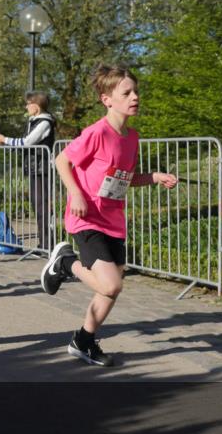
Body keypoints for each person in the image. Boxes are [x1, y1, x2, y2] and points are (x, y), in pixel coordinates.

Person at [41, 64, 178, 367]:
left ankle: (83, 342)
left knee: (112, 288)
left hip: (113, 219)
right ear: (107, 99)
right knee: (111, 284)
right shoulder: (96, 132)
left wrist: (154, 176)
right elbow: (62, 160)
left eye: (136, 91)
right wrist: (75, 193)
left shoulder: (131, 137)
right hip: (87, 217)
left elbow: (124, 178)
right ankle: (65, 263)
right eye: (126, 93)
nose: (135, 97)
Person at [0, 91, 57, 251]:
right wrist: (5, 144)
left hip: (43, 169)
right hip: (35, 169)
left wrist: (4, 139)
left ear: (36, 105)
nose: (26, 106)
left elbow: (27, 142)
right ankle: (44, 244)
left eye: (28, 103)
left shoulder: (44, 123)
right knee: (38, 206)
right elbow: (23, 145)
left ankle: (48, 245)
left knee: (42, 207)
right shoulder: (33, 121)